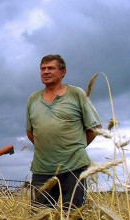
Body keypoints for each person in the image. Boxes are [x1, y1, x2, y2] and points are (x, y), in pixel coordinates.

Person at [26, 54, 101, 210]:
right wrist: (49, 148)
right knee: (39, 218)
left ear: (63, 72)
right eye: (42, 69)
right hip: (42, 169)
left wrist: (73, 149)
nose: (46, 72)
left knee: (72, 218)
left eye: (51, 68)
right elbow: (30, 132)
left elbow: (95, 129)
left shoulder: (76, 94)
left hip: (73, 168)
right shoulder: (33, 99)